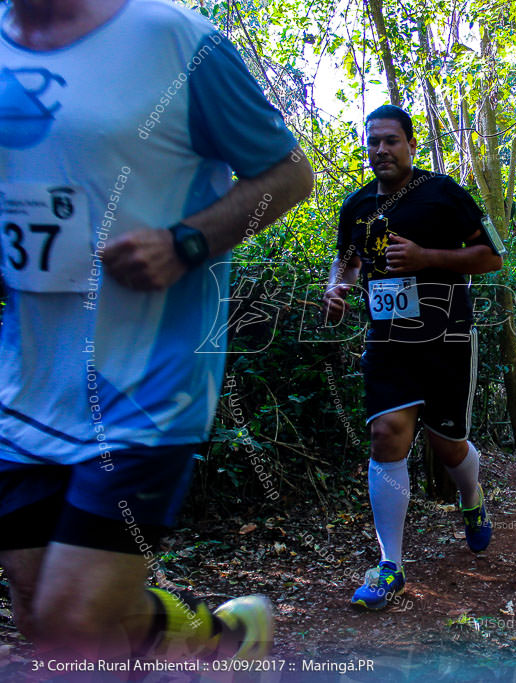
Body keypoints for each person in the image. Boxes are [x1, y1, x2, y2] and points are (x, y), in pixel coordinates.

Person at [0, 0, 313, 660]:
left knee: (69, 620)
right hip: (25, 382)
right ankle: (212, 645)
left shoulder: (176, 42)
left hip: (145, 382)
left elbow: (289, 173)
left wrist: (187, 242)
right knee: (38, 609)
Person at [322, 105, 503, 611]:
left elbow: (491, 257)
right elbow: (347, 262)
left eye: (391, 141)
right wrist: (336, 289)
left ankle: (472, 497)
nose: (381, 150)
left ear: (410, 145)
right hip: (388, 340)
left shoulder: (444, 193)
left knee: (450, 450)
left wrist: (427, 258)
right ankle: (391, 566)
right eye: (373, 141)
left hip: (447, 338)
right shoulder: (356, 206)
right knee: (386, 437)